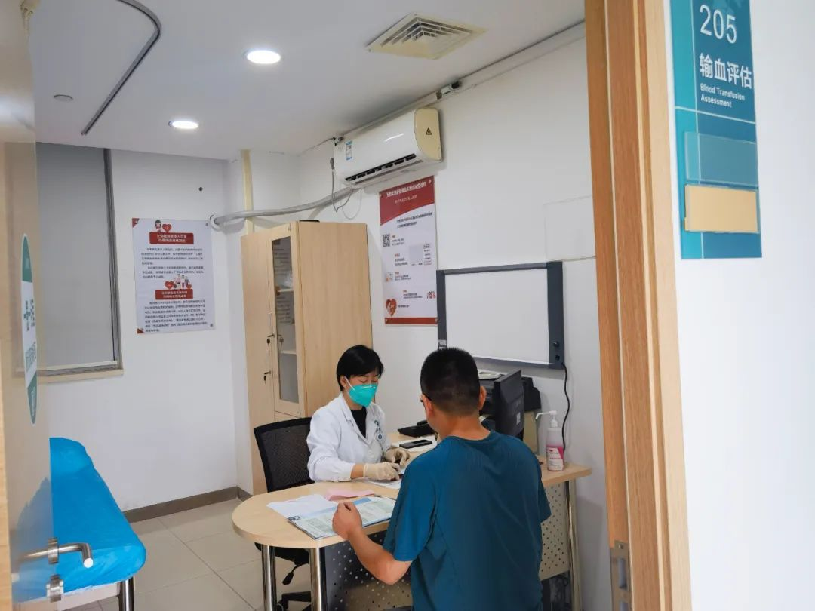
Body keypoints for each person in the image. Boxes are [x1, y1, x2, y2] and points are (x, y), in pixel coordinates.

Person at [332, 348, 551, 611]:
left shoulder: (426, 471)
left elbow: (389, 571)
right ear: (482, 397)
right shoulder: (523, 455)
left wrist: (353, 531)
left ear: (427, 405)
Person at [307, 345, 410, 482]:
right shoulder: (327, 417)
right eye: (363, 381)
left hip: (372, 487)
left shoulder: (376, 412)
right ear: (344, 381)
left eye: (374, 380)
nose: (370, 385)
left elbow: (382, 447)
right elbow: (320, 467)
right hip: (340, 489)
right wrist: (365, 470)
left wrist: (391, 452)